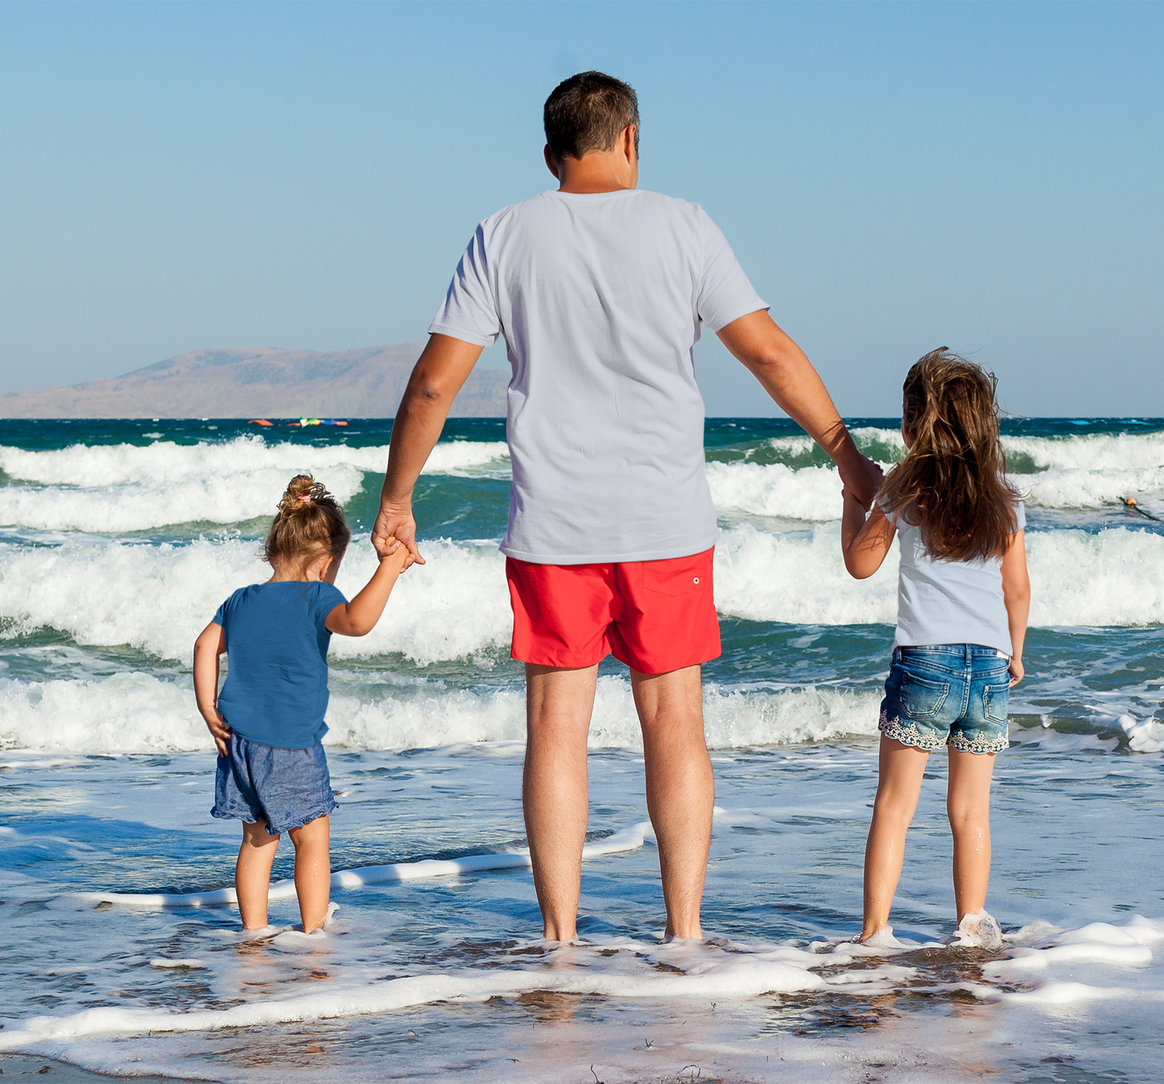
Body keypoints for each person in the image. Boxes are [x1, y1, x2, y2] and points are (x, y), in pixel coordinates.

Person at [372, 71, 883, 942]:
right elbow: (764, 352)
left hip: (552, 525)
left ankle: (561, 941)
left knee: (554, 725)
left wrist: (396, 499)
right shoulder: (685, 225)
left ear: (549, 155)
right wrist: (847, 457)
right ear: (633, 139)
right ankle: (683, 933)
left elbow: (431, 385)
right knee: (673, 716)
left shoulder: (502, 235)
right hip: (664, 521)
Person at [840, 348, 1030, 949]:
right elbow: (1017, 589)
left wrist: (854, 499)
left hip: (925, 662)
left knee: (895, 804)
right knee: (971, 810)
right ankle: (971, 923)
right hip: (989, 668)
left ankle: (876, 932)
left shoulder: (904, 490)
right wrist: (1015, 652)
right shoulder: (1005, 501)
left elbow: (860, 564)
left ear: (914, 424)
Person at [194, 474, 413, 934]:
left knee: (257, 839)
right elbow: (357, 622)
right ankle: (313, 931)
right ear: (324, 562)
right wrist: (389, 569)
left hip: (239, 741)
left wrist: (207, 708)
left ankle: (253, 933)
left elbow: (203, 647)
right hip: (291, 744)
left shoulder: (239, 601)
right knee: (311, 839)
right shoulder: (317, 595)